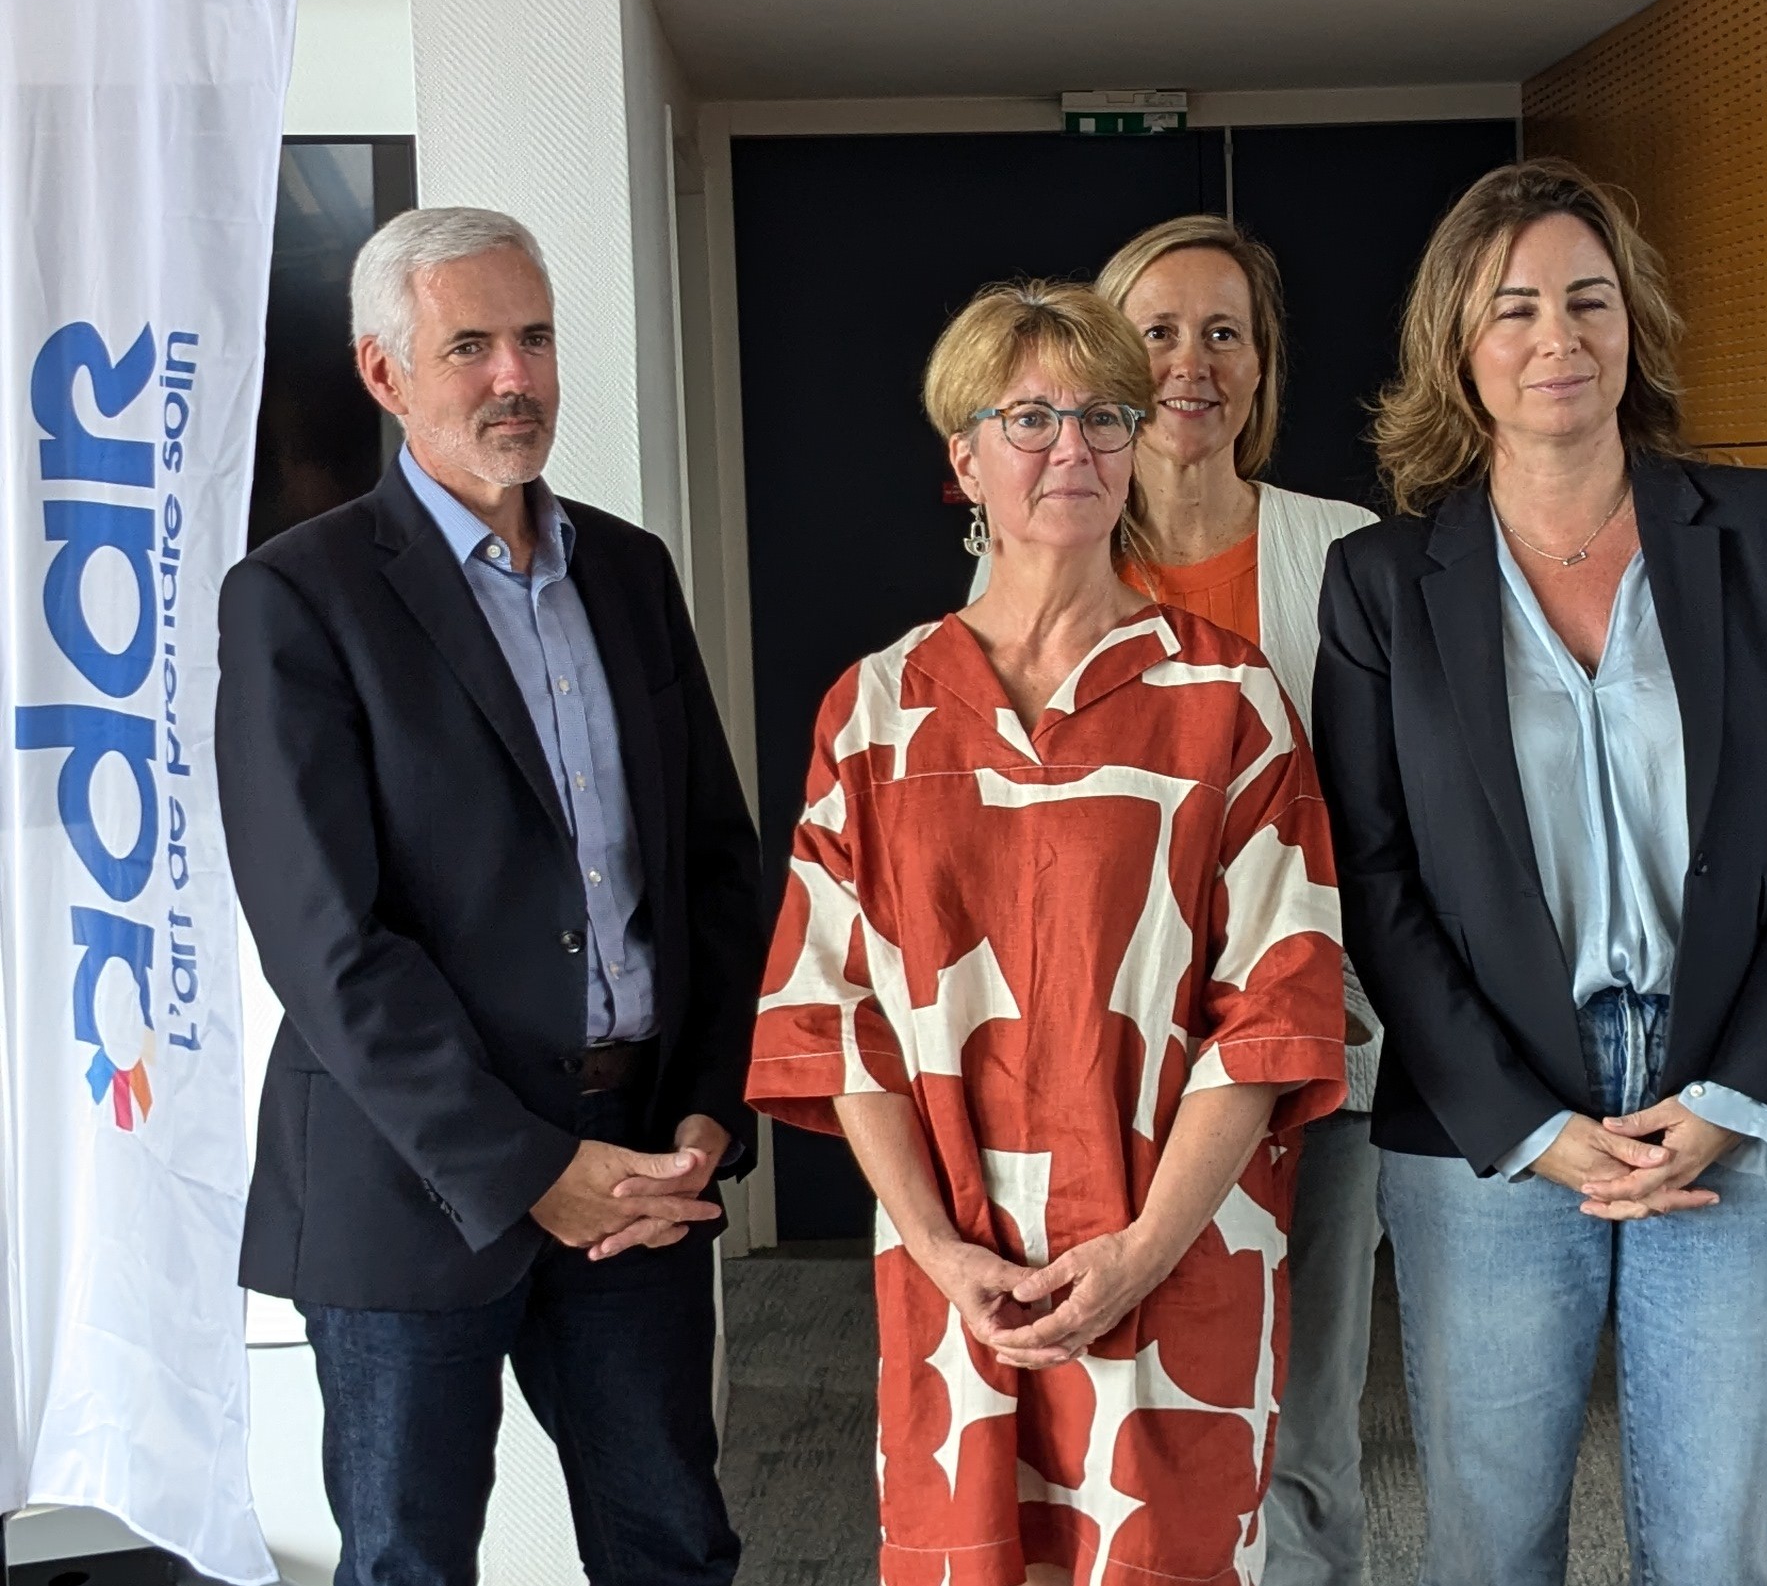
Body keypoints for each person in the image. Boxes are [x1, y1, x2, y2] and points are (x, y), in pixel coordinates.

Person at [1310, 158, 1767, 1584]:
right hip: (1491, 1124)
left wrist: (1740, 1092)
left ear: (1633, 324)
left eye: (1587, 298)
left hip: (1730, 1100)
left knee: (1712, 1550)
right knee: (1491, 1549)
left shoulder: (1761, 531)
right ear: (1460, 343)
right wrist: (1532, 1123)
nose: (1556, 336)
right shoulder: (1382, 584)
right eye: (1514, 308)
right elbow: (1374, 877)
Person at [748, 279, 1346, 1585]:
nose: (1073, 447)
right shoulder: (877, 709)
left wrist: (1141, 1251)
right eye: (1031, 417)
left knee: (1169, 1558)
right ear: (961, 458)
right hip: (957, 1258)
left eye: (1104, 416)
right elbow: (832, 1013)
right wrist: (937, 1243)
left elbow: (1276, 1013)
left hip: (1178, 1248)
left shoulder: (1228, 697)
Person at [217, 206, 762, 1586]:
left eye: (534, 338)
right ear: (387, 374)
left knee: (674, 1544)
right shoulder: (300, 598)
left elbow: (709, 869)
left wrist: (706, 1107)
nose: (515, 376)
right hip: (415, 1180)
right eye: (471, 345)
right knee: (410, 1561)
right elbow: (327, 944)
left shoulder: (629, 573)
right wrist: (529, 1171)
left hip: (637, 1154)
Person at [1097, 215, 1383, 1585]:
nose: (1190, 362)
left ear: (1263, 369)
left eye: (1224, 331)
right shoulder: (1050, 556)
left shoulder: (1348, 553)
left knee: (1307, 1429)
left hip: (1318, 1064)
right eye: (1157, 329)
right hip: (1112, 1077)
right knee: (1131, 1414)